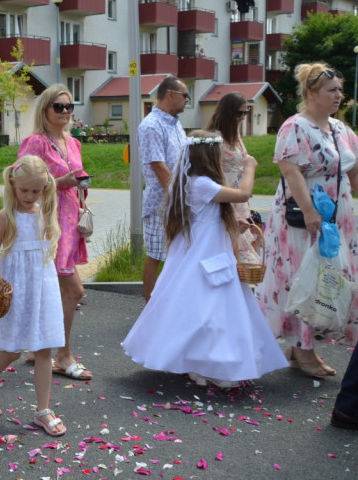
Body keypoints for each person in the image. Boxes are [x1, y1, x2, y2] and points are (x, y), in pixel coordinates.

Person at [123, 131, 288, 388]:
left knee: (207, 309)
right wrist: (250, 167)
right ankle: (201, 363)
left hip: (207, 249)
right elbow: (243, 194)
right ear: (208, 156)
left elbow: (212, 215)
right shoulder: (201, 183)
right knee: (206, 308)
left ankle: (200, 362)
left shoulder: (195, 182)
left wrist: (236, 225)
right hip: (206, 253)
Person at [256, 63, 358, 378]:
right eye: (332, 90)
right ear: (311, 94)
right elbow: (291, 170)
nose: (339, 95)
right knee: (304, 278)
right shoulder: (294, 126)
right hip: (302, 218)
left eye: (340, 90)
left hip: (336, 216)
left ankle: (301, 347)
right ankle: (303, 350)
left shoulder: (341, 130)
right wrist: (310, 210)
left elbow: (353, 171)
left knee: (329, 278)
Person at [0, 157, 67, 435]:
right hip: (18, 288)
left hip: (42, 287)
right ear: (12, 185)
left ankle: (43, 410)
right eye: (24, 191)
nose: (30, 196)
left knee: (44, 348)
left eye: (36, 191)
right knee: (12, 350)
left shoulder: (46, 213)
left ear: (44, 188)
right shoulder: (5, 216)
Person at [18, 85, 93, 380]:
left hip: (70, 221)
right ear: (45, 109)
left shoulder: (73, 143)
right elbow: (19, 178)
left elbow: (76, 176)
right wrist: (60, 180)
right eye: (58, 107)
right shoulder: (35, 142)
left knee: (50, 290)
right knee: (73, 290)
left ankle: (40, 350)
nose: (65, 112)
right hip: (47, 221)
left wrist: (80, 188)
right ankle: (62, 354)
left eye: (69, 106)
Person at [137, 76, 190, 302]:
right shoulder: (151, 125)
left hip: (178, 200)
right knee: (156, 255)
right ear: (171, 95)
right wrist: (177, 199)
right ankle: (150, 308)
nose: (187, 100)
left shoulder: (174, 122)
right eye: (185, 95)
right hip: (162, 203)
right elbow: (159, 166)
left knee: (176, 256)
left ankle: (170, 305)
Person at [207, 91, 261, 258]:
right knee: (230, 246)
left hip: (239, 194)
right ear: (228, 112)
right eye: (239, 113)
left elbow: (245, 158)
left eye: (246, 112)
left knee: (239, 243)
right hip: (226, 194)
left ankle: (237, 281)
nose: (243, 117)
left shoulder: (235, 134)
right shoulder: (215, 138)